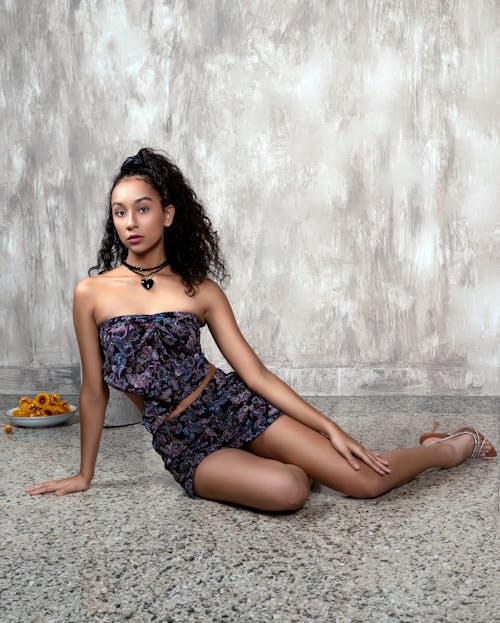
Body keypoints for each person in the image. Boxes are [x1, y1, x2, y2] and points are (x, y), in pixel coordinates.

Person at [25, 148, 497, 511]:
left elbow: (256, 376)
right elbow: (93, 391)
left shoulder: (199, 290)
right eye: (120, 211)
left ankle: (450, 446)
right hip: (182, 439)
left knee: (365, 481)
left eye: (142, 208)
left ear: (167, 214)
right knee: (291, 489)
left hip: (233, 405)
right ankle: (283, 464)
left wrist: (330, 429)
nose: (130, 222)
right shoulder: (92, 293)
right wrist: (84, 474)